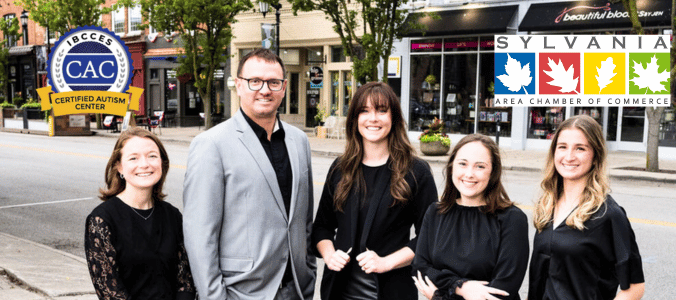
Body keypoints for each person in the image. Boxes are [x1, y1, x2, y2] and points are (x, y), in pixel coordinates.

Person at [183, 48, 316, 300]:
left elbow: (304, 220)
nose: (264, 90)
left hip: (296, 288)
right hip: (241, 291)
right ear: (239, 85)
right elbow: (200, 234)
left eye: (273, 82)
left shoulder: (299, 141)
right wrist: (214, 296)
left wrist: (308, 271)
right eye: (255, 81)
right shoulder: (211, 144)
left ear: (284, 87)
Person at [312, 81, 438, 300]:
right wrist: (330, 254)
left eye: (381, 111)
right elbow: (322, 227)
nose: (373, 118)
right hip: (339, 290)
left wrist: (386, 262)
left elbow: (431, 236)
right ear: (355, 119)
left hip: (390, 289)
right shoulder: (340, 168)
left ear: (394, 118)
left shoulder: (416, 171)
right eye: (364, 111)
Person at [528, 115, 645, 300]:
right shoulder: (547, 206)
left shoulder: (609, 215)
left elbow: (634, 288)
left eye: (580, 148)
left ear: (595, 156)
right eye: (562, 147)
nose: (569, 156)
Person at [412, 134, 529, 300]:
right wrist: (460, 287)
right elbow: (421, 268)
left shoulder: (512, 219)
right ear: (452, 167)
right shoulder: (435, 212)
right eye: (462, 164)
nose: (469, 174)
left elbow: (502, 293)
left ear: (493, 172)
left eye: (480, 166)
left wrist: (440, 296)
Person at [85, 127, 195, 300]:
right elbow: (111, 293)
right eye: (133, 158)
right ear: (119, 167)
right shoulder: (102, 220)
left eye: (152, 156)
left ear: (162, 163)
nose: (144, 164)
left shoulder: (172, 216)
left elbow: (185, 281)